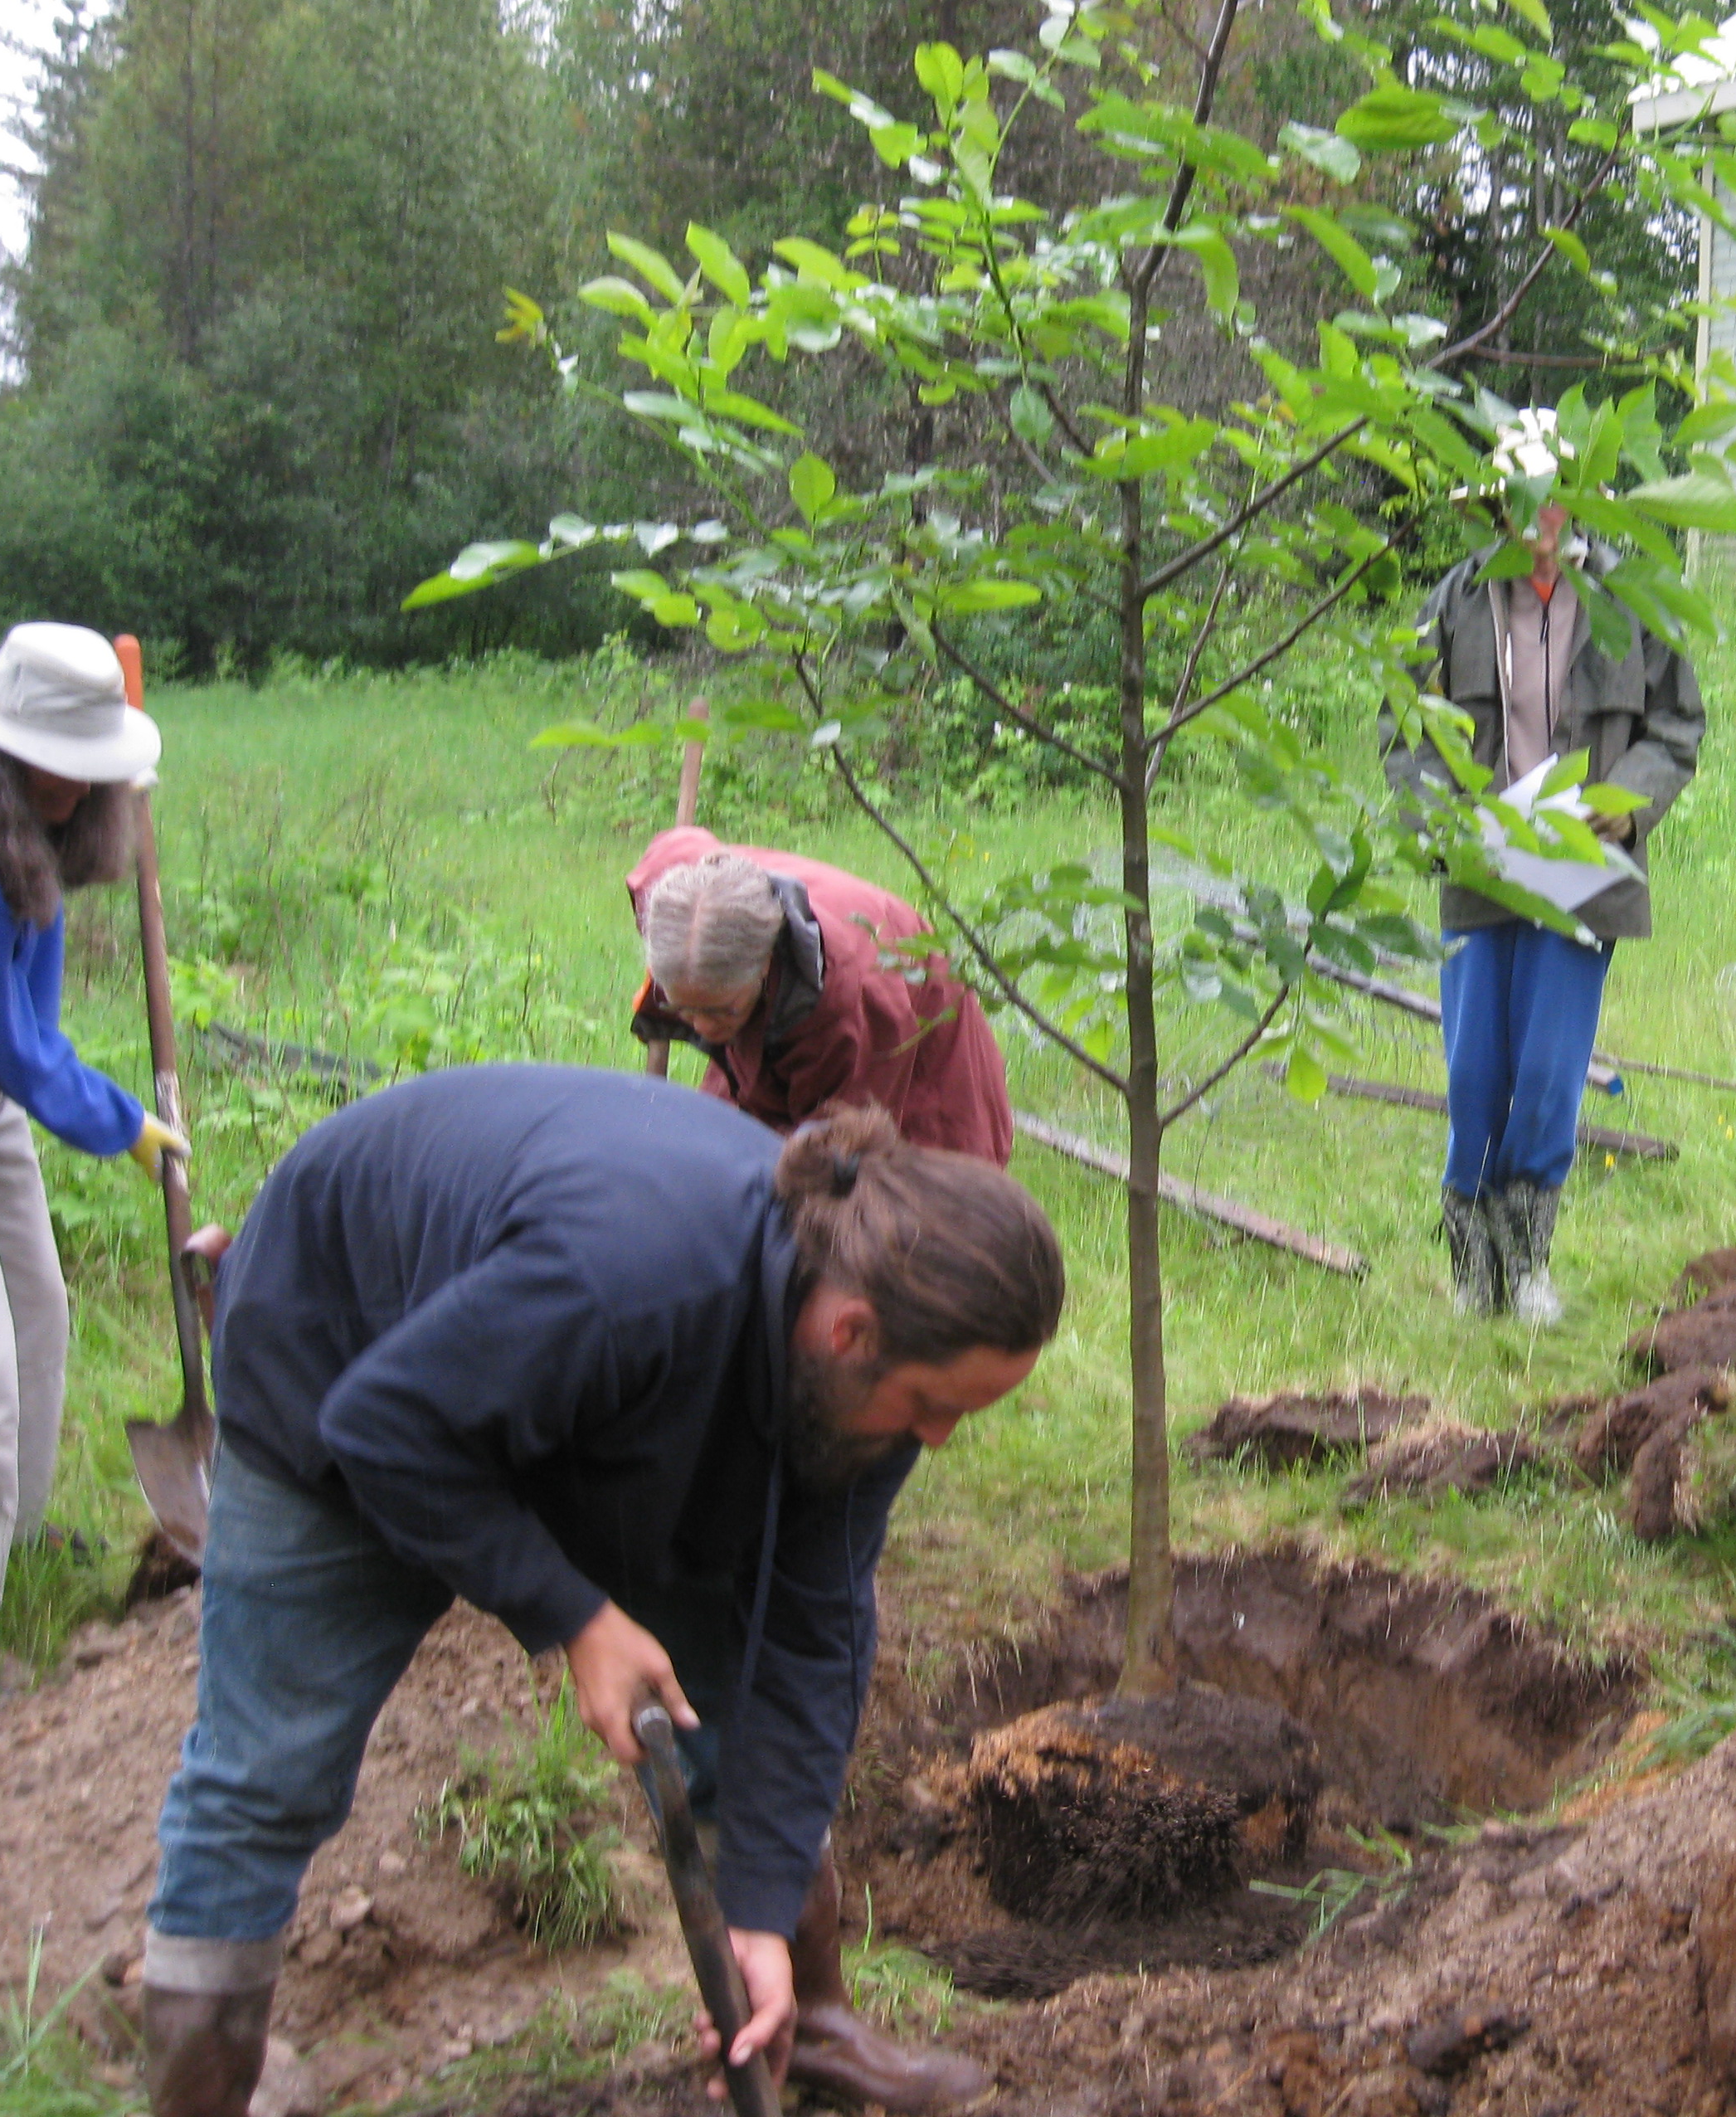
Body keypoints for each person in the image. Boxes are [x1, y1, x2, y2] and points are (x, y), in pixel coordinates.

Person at [139, 1068, 1063, 2117]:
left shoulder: (863, 1378)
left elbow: (811, 1636)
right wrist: (575, 1618)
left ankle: (803, 2014)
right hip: (345, 1364)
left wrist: (758, 1912)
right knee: (268, 1776)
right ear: (850, 1332)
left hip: (593, 1388)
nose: (938, 1438)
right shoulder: (630, 1278)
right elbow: (383, 1428)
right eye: (934, 1405)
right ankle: (200, 2095)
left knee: (737, 1697)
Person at [1383, 412, 1704, 1326]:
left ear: (1581, 501)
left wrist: (1628, 801)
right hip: (1480, 867)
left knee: (1552, 1070)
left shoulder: (1634, 600)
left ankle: (1528, 1266)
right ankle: (1471, 1267)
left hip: (1585, 867)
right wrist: (1440, 822)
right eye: (1521, 498)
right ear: (1495, 506)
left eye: (1556, 496)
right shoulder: (1452, 603)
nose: (1540, 516)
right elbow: (1405, 731)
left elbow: (1677, 727)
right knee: (1475, 1072)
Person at [0, 624, 184, 1713]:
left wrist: (83, 1096)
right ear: (7, 750)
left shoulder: (12, 802)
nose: (78, 791)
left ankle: (6, 1532)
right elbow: (11, 1047)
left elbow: (27, 999)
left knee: (39, 1312)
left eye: (92, 770)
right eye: (60, 770)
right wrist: (119, 1122)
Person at [629, 828, 1013, 1168]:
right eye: (684, 1009)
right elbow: (677, 844)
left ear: (765, 964)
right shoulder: (673, 892)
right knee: (714, 1149)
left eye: (719, 1011)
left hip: (915, 1044)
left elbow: (836, 1147)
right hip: (781, 1006)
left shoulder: (853, 1000)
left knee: (865, 1190)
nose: (702, 1027)